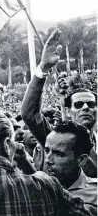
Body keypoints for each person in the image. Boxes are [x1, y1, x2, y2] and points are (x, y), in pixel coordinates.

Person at [22, 29, 97, 177]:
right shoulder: (55, 139)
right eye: (78, 104)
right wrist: (43, 68)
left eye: (91, 104)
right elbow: (29, 114)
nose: (86, 107)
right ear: (68, 111)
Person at [43, 121, 97, 216]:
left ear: (81, 159)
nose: (48, 160)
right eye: (46, 150)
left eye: (59, 154)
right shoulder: (37, 192)